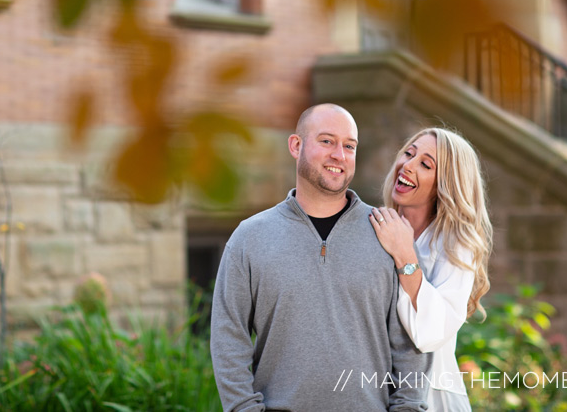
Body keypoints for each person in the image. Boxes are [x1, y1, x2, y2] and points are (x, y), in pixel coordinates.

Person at [211, 103, 431, 412]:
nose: (339, 155)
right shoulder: (250, 238)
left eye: (349, 146)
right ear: (296, 145)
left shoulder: (389, 234)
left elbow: (410, 341)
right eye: (326, 141)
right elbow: (228, 339)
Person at [369, 127, 493, 412]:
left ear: (445, 183)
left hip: (433, 395)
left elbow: (431, 332)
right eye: (408, 154)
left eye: (425, 164)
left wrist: (403, 254)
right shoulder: (374, 228)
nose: (407, 166)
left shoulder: (457, 246)